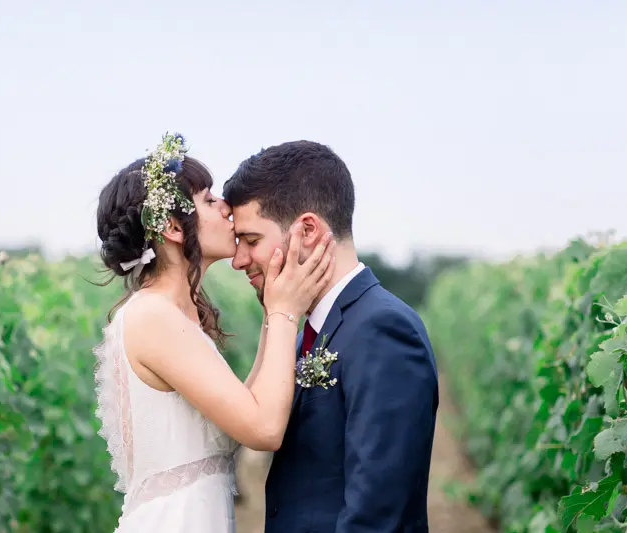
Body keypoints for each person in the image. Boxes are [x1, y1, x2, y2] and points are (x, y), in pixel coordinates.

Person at [92, 133, 336, 533]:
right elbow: (264, 428)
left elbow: (247, 410)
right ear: (171, 226)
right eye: (208, 200)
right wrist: (284, 312)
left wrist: (275, 311)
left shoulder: (173, 314)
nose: (225, 206)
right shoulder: (154, 317)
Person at [223, 140, 439, 533]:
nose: (238, 259)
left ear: (308, 230)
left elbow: (377, 516)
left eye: (251, 241)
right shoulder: (301, 330)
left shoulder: (384, 330)